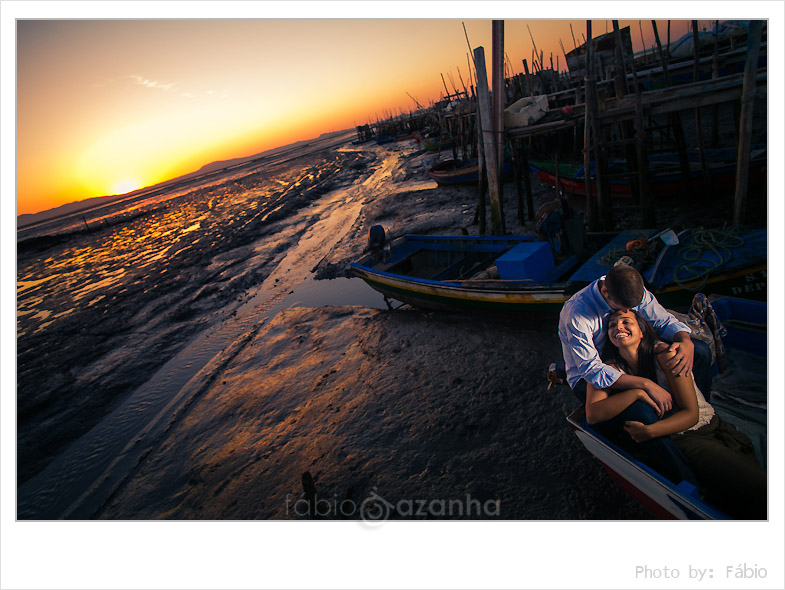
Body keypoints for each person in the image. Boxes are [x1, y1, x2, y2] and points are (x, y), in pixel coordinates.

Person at [586, 309, 766, 519]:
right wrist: (638, 391)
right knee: (757, 486)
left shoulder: (665, 354)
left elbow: (691, 414)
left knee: (758, 486)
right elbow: (593, 414)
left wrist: (650, 431)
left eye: (626, 322)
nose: (618, 327)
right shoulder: (610, 367)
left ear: (642, 331)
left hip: (709, 425)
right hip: (685, 439)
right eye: (612, 325)